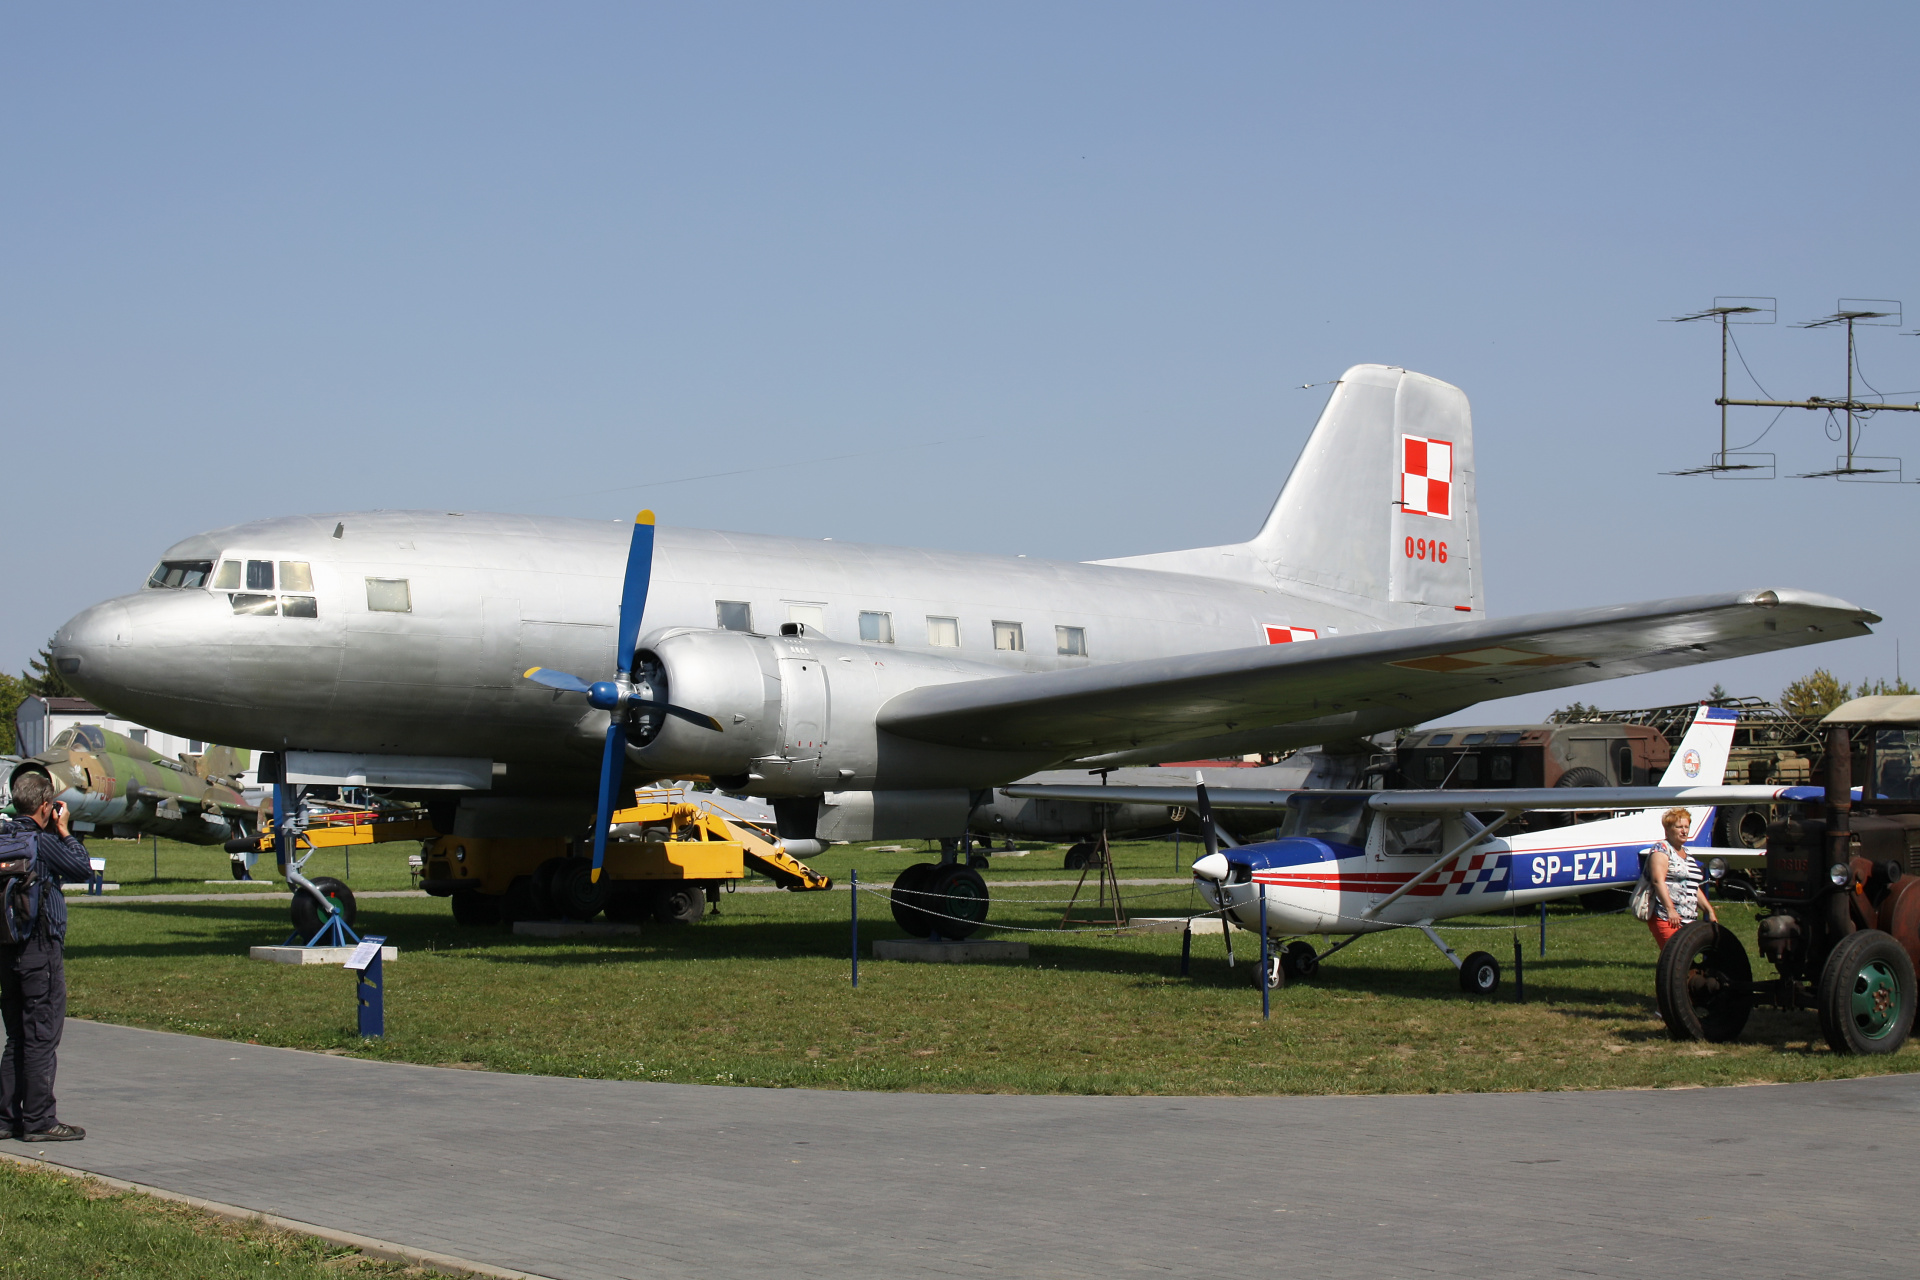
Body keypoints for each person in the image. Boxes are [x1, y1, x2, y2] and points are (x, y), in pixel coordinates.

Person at [2, 772, 92, 1142]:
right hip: (40, 949)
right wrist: (65, 829)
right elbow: (83, 868)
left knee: (17, 1038)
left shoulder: (4, 836)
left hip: (6, 948)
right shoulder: (41, 841)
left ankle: (6, 1119)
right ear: (45, 806)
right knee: (41, 1036)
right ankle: (39, 1120)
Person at [1643, 806, 1717, 949]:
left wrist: (1708, 910)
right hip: (1667, 917)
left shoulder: (1687, 854)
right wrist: (1670, 909)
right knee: (1674, 959)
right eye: (1679, 827)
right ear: (1668, 829)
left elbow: (1692, 887)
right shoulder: (1661, 849)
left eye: (1686, 827)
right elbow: (1658, 881)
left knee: (1685, 961)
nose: (1684, 831)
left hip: (1689, 921)